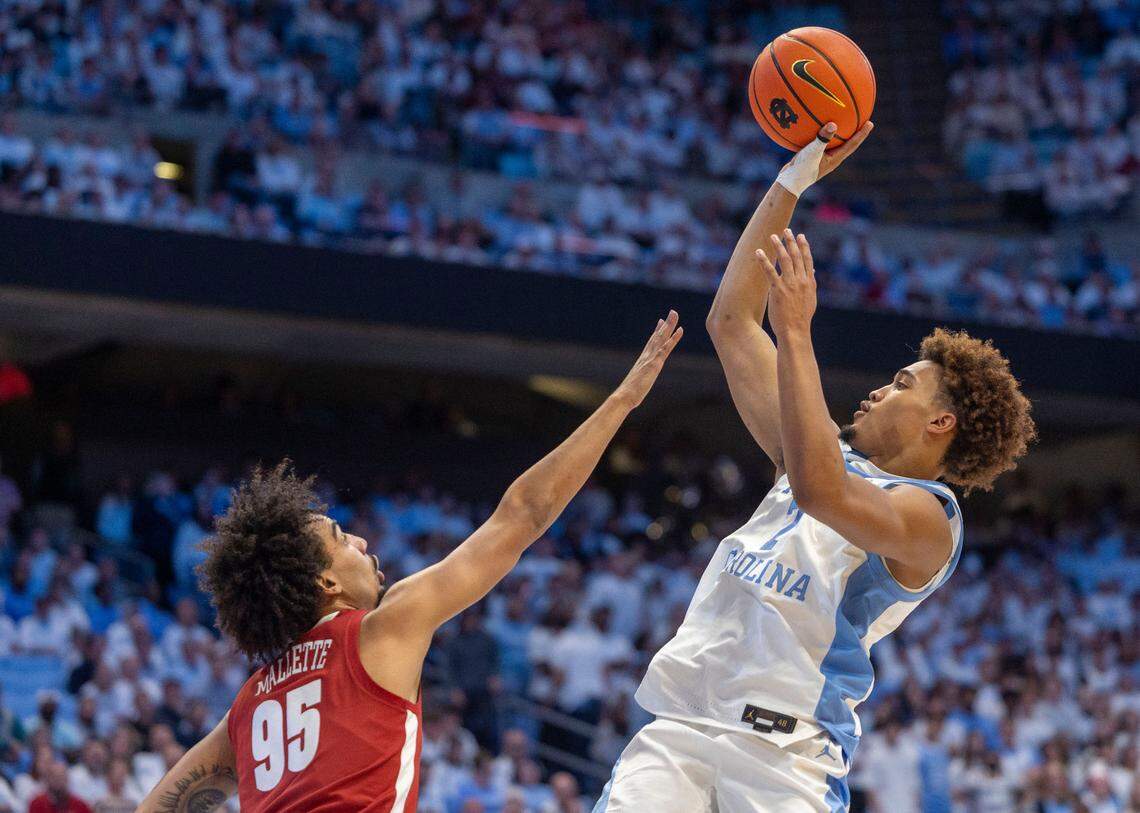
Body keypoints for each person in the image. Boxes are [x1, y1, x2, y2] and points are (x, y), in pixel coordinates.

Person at [593, 122, 1037, 811]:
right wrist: (792, 183)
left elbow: (821, 489)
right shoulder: (812, 447)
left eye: (900, 383)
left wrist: (797, 332)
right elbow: (732, 322)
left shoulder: (930, 519)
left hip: (784, 761)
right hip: (678, 730)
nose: (879, 390)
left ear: (939, 422)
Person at [138, 313, 684, 812]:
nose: (360, 541)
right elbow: (524, 514)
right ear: (325, 581)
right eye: (339, 537)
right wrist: (623, 401)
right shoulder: (379, 629)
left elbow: (157, 809)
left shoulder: (250, 703)